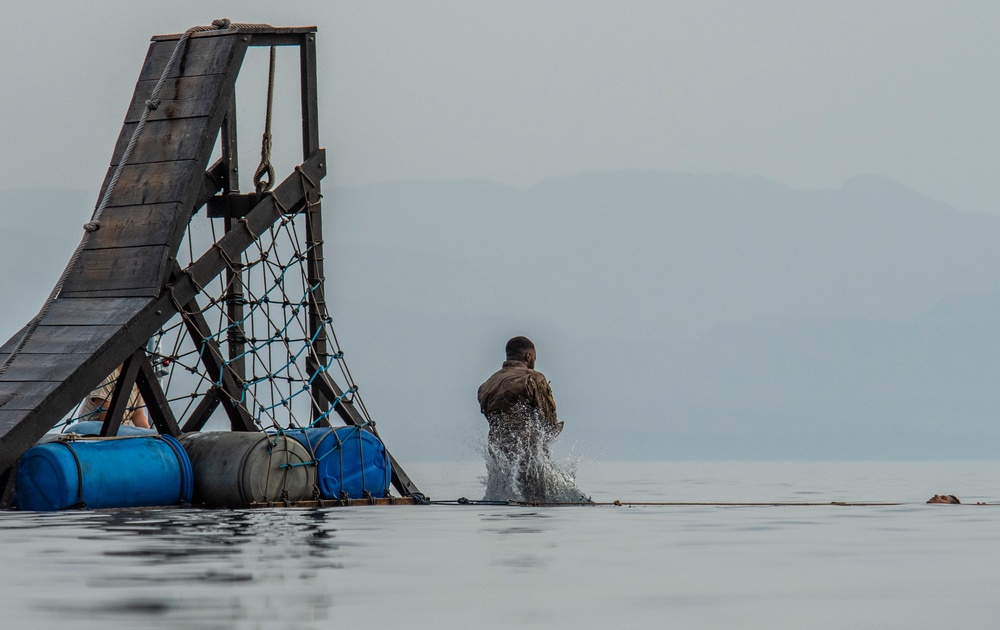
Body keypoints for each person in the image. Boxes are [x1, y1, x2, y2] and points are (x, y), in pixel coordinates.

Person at [478, 336, 563, 500]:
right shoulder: (532, 378)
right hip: (526, 451)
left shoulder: (487, 385)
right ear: (528, 356)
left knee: (505, 496)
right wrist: (552, 430)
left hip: (497, 450)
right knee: (537, 499)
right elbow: (548, 418)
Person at [77, 365, 150, 429]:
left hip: (121, 429)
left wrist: (151, 434)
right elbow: (105, 416)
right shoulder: (105, 373)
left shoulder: (135, 377)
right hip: (93, 430)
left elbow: (138, 415)